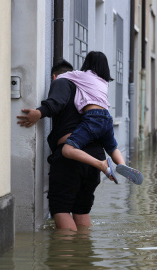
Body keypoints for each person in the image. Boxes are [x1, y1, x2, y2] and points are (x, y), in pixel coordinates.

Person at [17, 59, 106, 231]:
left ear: (54, 77)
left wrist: (39, 112)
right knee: (81, 210)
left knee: (61, 209)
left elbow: (58, 100)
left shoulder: (63, 80)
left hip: (72, 156)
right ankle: (82, 253)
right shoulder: (88, 90)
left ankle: (65, 256)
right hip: (96, 156)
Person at [57, 51, 143, 185]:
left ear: (87, 63)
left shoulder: (82, 75)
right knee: (112, 148)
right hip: (107, 118)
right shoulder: (104, 82)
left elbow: (60, 77)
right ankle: (123, 165)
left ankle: (101, 164)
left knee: (67, 150)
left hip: (93, 117)